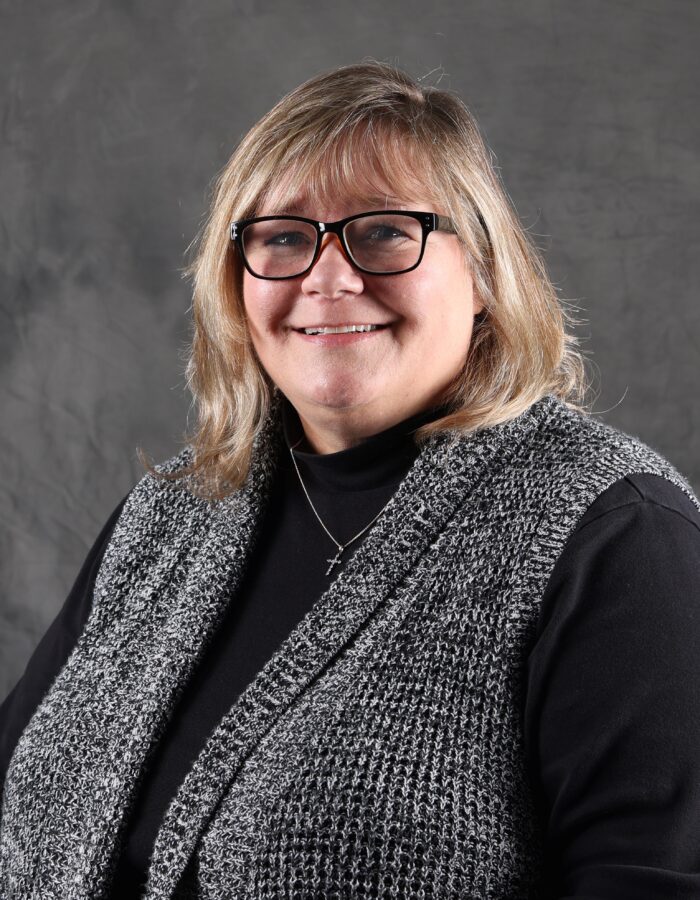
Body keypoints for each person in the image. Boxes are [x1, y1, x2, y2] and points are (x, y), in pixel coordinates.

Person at [1, 59, 699, 900]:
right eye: (283, 237)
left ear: (483, 272)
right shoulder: (170, 513)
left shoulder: (618, 534)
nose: (328, 278)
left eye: (386, 231)